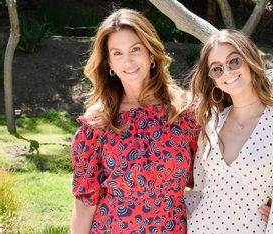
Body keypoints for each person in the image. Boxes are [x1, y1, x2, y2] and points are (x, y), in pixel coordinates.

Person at [70, 9, 199, 233]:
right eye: (117, 53)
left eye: (135, 49)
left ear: (151, 54)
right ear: (109, 62)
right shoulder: (98, 122)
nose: (127, 61)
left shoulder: (185, 112)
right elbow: (85, 202)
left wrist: (264, 204)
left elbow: (213, 177)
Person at [185, 29, 273, 233]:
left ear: (250, 60)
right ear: (213, 79)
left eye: (234, 61)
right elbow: (198, 192)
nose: (227, 72)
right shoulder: (210, 122)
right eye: (217, 69)